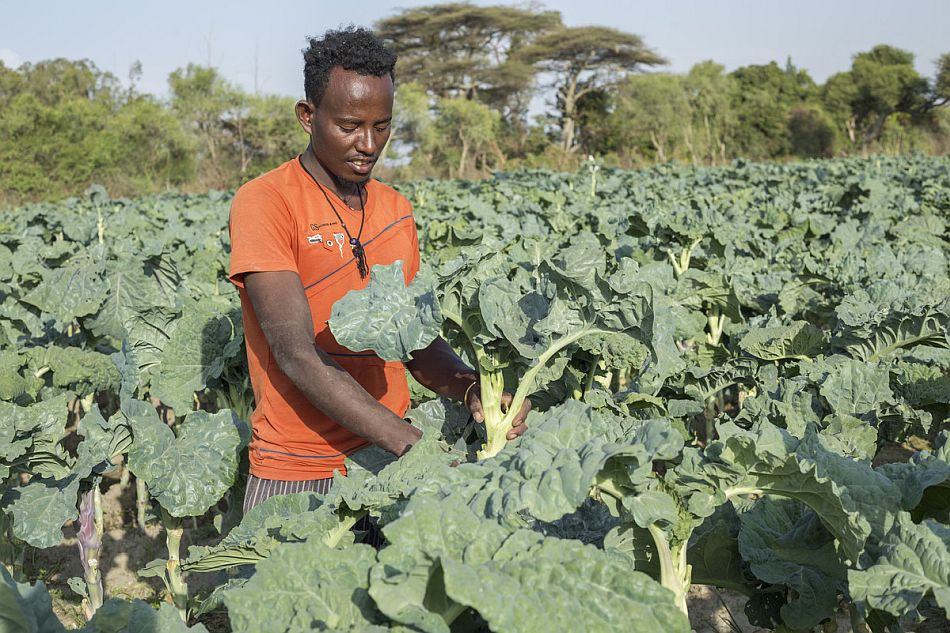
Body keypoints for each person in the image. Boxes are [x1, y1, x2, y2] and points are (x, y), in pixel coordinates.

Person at [228, 26, 531, 513]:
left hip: (388, 468)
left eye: (382, 126)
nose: (368, 144)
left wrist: (472, 387)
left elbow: (412, 339)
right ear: (308, 116)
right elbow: (294, 352)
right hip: (300, 470)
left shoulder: (395, 209)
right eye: (349, 126)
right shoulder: (266, 202)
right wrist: (409, 443)